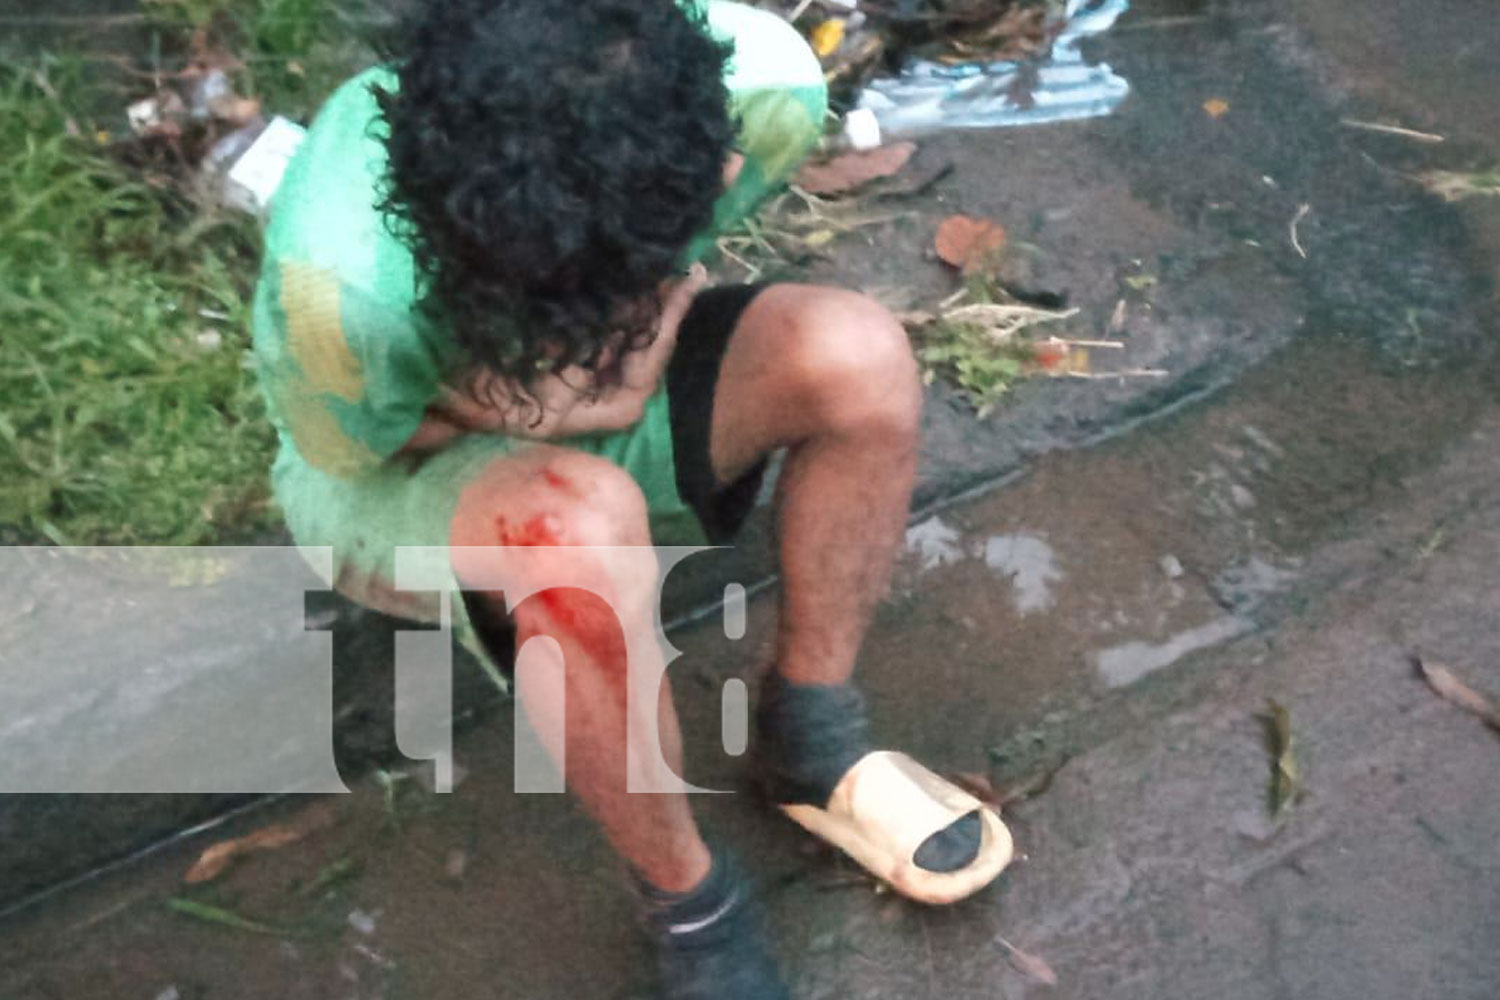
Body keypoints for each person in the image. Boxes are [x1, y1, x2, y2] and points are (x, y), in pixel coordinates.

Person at [251, 0, 1011, 995]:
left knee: (858, 356)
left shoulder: (766, 88)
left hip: (599, 378)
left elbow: (674, 274)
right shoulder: (338, 291)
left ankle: (807, 729)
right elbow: (354, 451)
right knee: (571, 537)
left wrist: (627, 348)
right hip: (400, 464)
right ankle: (689, 897)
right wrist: (540, 409)